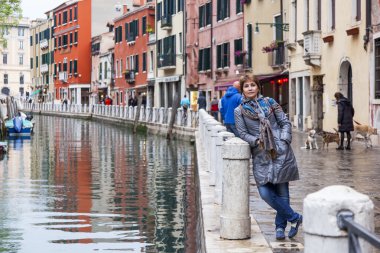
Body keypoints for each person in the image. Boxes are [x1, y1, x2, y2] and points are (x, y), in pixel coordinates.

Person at [234, 74, 302, 240]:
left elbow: (284, 122)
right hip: (261, 154)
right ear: (242, 89)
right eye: (246, 86)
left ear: (258, 87)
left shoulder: (270, 103)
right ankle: (294, 218)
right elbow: (242, 132)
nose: (250, 88)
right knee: (264, 192)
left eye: (253, 85)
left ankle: (280, 228)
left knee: (282, 192)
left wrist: (284, 140)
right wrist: (257, 141)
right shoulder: (239, 111)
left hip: (280, 151)